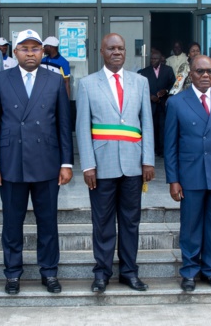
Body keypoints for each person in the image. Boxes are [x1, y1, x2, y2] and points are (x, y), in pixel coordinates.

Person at [0, 29, 73, 295]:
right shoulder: (0, 80)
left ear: (43, 52)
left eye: (35, 48)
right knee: (12, 223)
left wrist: (66, 163)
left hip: (47, 162)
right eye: (24, 48)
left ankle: (49, 272)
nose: (30, 53)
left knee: (48, 222)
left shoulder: (54, 80)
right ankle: (12, 273)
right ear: (15, 52)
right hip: (11, 163)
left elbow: (63, 125)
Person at [76, 33, 155, 293]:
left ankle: (129, 272)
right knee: (103, 222)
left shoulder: (140, 82)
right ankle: (102, 273)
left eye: (121, 48)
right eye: (111, 48)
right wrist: (87, 165)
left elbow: (147, 124)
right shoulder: (87, 84)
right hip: (101, 164)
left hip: (133, 163)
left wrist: (148, 160)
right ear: (102, 51)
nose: (117, 52)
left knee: (131, 221)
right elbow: (83, 126)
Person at [164, 55, 211, 292]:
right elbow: (170, 145)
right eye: (200, 71)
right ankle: (189, 271)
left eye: (209, 71)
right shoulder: (177, 102)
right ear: (190, 74)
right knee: (190, 225)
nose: (205, 75)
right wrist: (173, 179)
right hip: (190, 173)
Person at [138, 48, 175, 156]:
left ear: (160, 59)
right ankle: (152, 150)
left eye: (155, 59)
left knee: (163, 127)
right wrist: (150, 96)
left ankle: (162, 150)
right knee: (151, 127)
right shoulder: (144, 72)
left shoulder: (168, 70)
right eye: (152, 59)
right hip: (150, 105)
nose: (153, 60)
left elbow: (173, 85)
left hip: (163, 104)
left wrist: (166, 91)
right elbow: (141, 88)